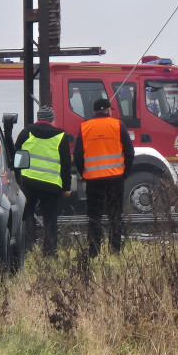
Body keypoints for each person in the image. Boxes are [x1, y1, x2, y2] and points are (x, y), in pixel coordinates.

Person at [74, 97, 135, 257]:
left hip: (93, 180)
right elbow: (130, 152)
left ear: (94, 111)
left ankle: (94, 251)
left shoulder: (84, 127)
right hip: (115, 179)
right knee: (115, 216)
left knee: (94, 217)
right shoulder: (118, 125)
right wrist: (124, 173)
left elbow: (78, 155)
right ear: (108, 110)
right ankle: (115, 251)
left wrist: (85, 174)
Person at [13, 105, 72, 256]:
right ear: (52, 119)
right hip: (51, 185)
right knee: (50, 219)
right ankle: (49, 252)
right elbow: (65, 164)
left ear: (38, 118)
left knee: (27, 216)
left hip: (29, 183)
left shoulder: (26, 133)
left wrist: (19, 180)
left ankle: (27, 249)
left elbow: (16, 156)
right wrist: (66, 187)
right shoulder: (60, 135)